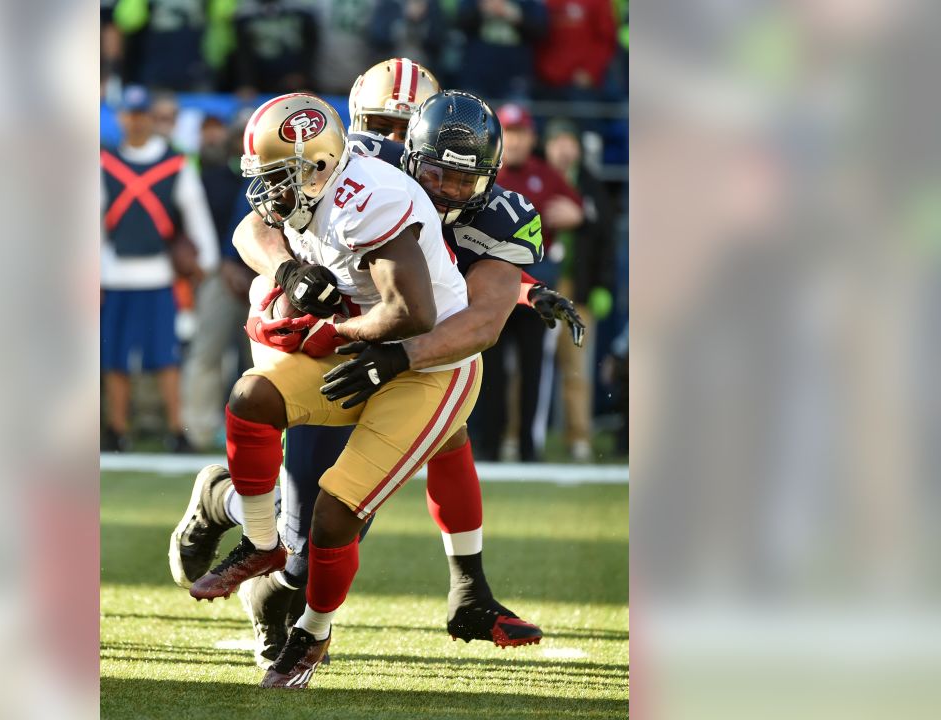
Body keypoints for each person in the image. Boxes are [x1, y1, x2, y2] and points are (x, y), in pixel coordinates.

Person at [171, 82, 584, 673]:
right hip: (335, 338)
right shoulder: (357, 166)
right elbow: (253, 228)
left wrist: (523, 291)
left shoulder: (497, 214)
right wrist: (288, 274)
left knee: (361, 499)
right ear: (407, 151)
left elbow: (472, 312)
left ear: (491, 174)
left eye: (464, 181)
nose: (447, 191)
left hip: (408, 351)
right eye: (436, 174)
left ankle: (451, 593)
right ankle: (229, 509)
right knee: (300, 528)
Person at [185, 92, 483, 690]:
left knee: (334, 513)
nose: (269, 193)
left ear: (317, 167)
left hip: (428, 366)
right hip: (362, 344)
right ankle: (261, 545)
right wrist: (289, 273)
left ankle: (313, 634)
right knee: (252, 399)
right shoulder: (315, 182)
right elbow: (252, 230)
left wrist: (328, 331)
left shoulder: (367, 200)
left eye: (277, 180)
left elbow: (413, 312)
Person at [100, 85, 219, 453]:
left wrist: (206, 262)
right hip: (115, 273)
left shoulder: (175, 164)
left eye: (141, 115)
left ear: (152, 119)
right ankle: (116, 429)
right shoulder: (104, 164)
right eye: (129, 115)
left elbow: (195, 213)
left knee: (165, 357)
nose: (134, 122)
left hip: (159, 274)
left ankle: (176, 429)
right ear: (121, 118)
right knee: (113, 359)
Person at [469, 102, 584, 462]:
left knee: (535, 369)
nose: (515, 141)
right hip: (492, 284)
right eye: (509, 133)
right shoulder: (486, 173)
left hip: (536, 283)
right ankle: (488, 444)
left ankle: (529, 448)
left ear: (531, 137)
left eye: (520, 133)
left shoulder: (546, 174)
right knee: (489, 367)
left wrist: (575, 214)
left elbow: (581, 209)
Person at [179, 114, 255, 450]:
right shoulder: (211, 179)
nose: (243, 141)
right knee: (206, 352)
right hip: (219, 277)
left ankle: (258, 429)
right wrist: (222, 265)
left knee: (259, 362)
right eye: (239, 133)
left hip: (265, 277)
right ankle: (196, 429)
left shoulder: (277, 179)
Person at [544, 119, 616, 461]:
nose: (564, 149)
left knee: (577, 366)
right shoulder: (535, 178)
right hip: (539, 285)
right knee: (526, 368)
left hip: (578, 286)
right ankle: (517, 436)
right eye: (558, 141)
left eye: (569, 141)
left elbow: (606, 239)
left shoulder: (591, 186)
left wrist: (603, 285)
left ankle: (579, 438)